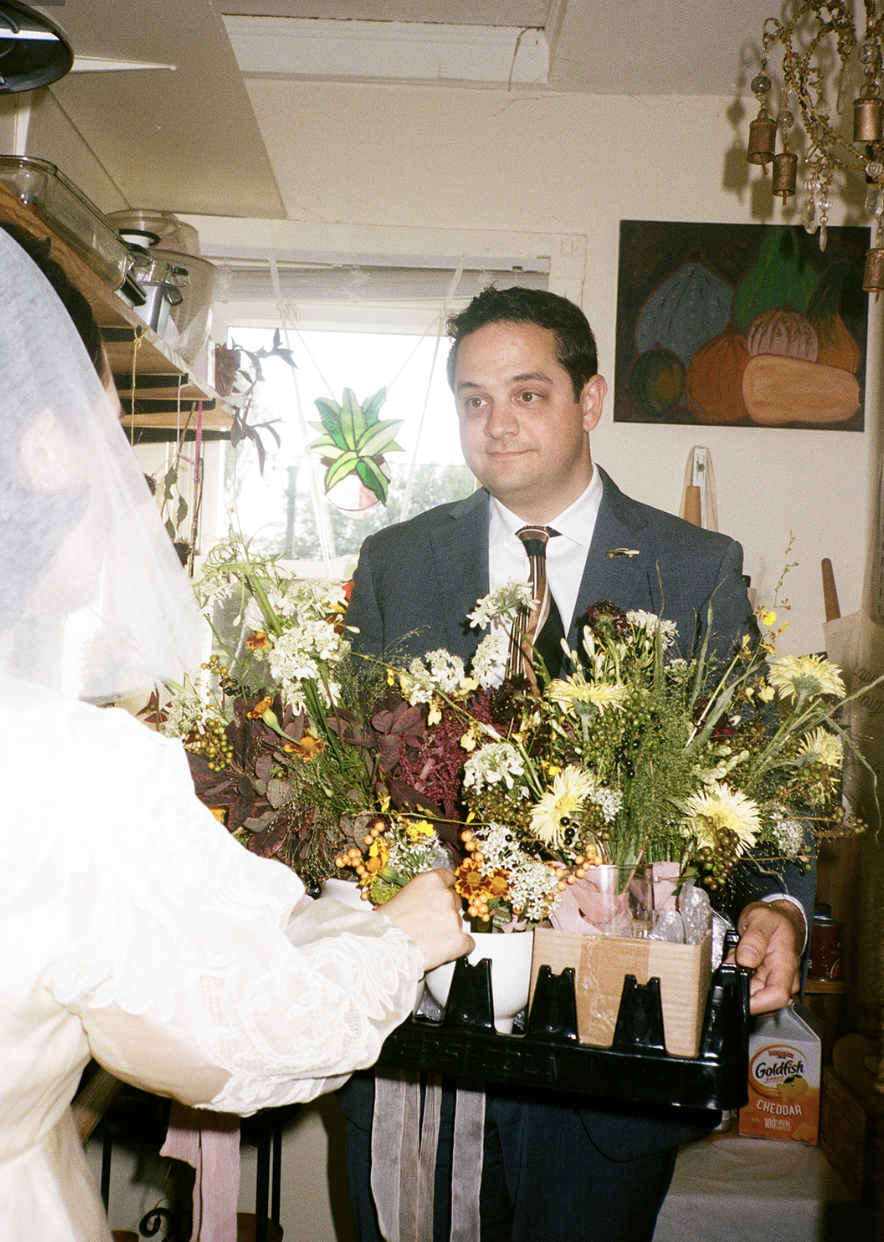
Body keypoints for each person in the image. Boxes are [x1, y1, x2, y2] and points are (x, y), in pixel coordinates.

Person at [0, 229, 472, 1242]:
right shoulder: (70, 767)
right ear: (44, 444)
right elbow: (228, 1033)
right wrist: (399, 935)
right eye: (107, 423)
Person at [339, 286, 814, 1242]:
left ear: (590, 399)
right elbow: (346, 778)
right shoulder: (396, 563)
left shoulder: (693, 566)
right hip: (427, 1040)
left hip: (613, 1053)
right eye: (472, 399)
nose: (495, 423)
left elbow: (768, 781)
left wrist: (780, 904)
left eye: (526, 394)